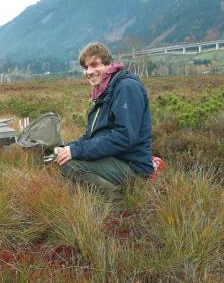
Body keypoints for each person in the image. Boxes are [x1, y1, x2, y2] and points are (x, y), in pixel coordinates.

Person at [54, 42, 153, 191]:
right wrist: (68, 148)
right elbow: (92, 136)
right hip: (115, 159)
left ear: (108, 65)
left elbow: (125, 137)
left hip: (133, 166)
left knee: (69, 164)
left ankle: (119, 201)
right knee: (63, 157)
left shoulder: (126, 88)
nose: (89, 71)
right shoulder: (103, 92)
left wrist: (77, 151)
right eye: (86, 67)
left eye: (94, 65)